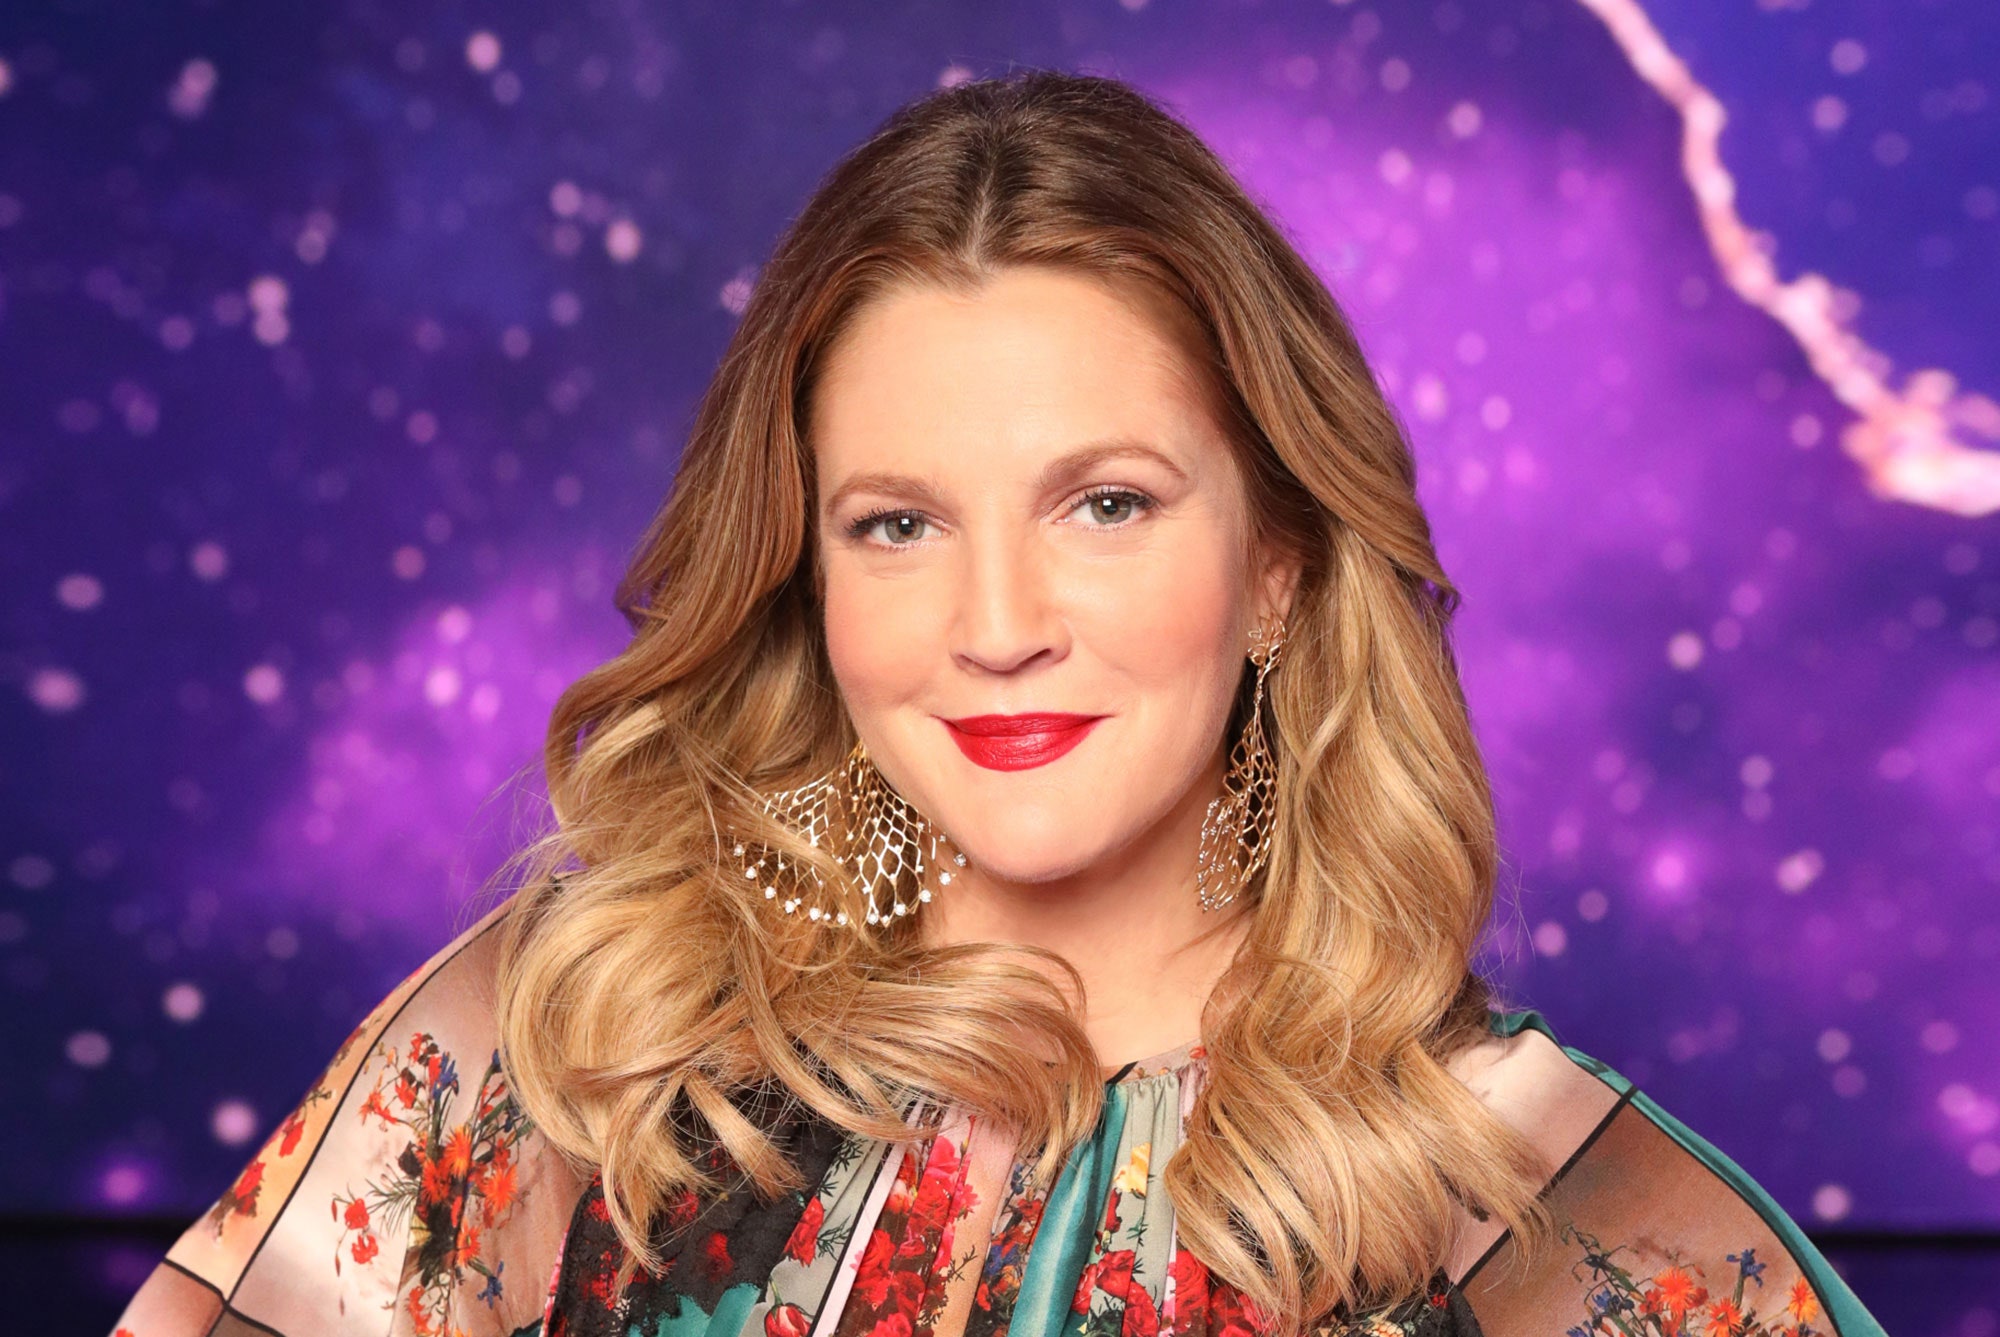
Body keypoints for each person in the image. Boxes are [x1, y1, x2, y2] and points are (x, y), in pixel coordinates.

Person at [111, 70, 1889, 1337]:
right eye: (898, 523)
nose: (998, 625)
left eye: (1104, 503)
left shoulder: (1521, 1190)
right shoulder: (590, 1042)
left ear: (1276, 566)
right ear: (808, 573)